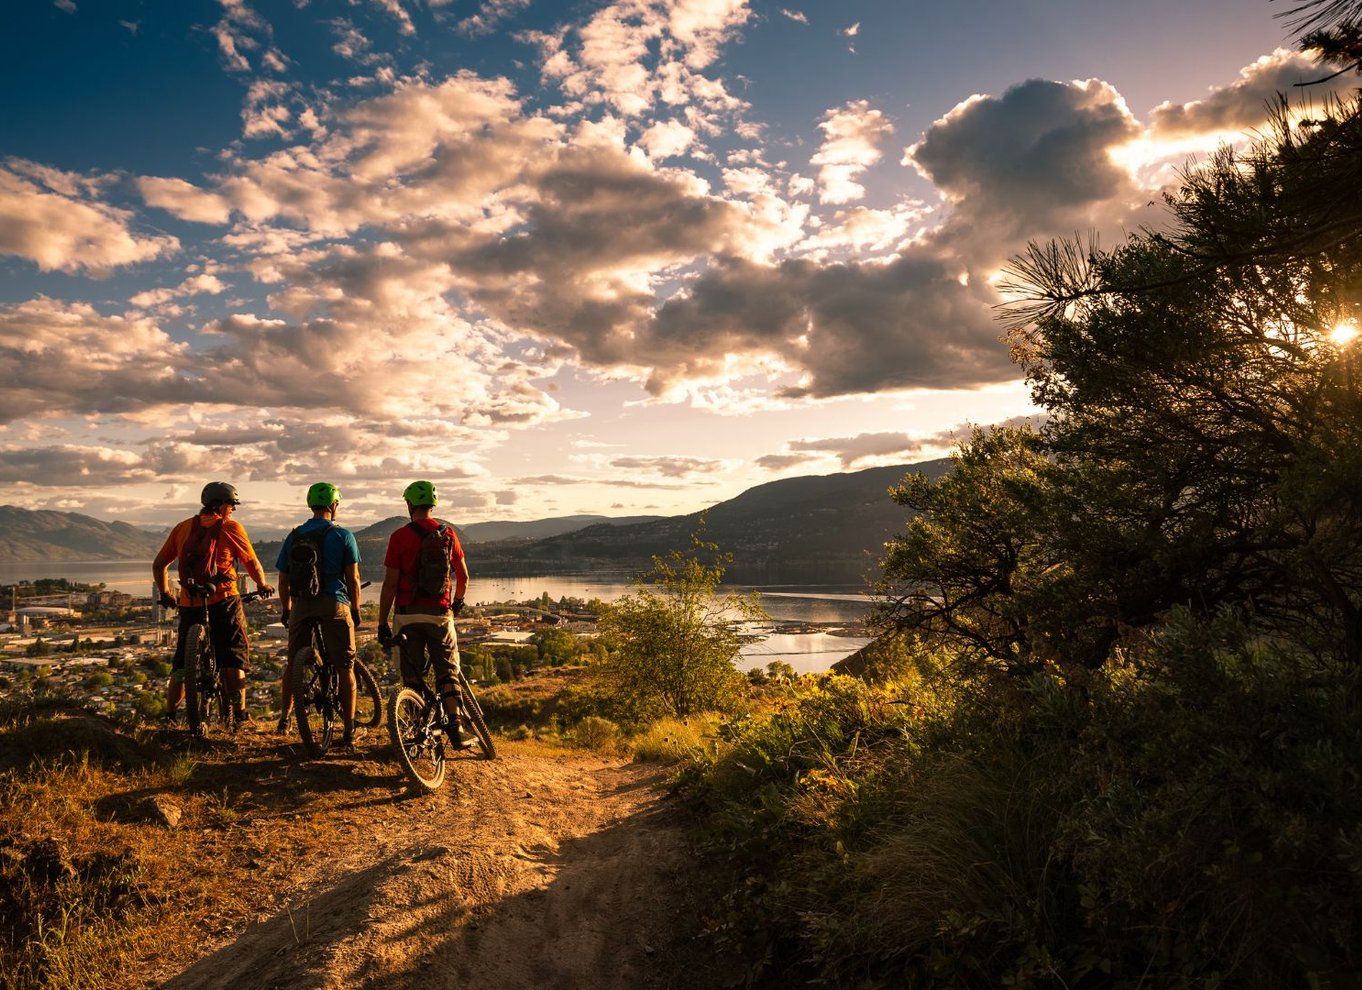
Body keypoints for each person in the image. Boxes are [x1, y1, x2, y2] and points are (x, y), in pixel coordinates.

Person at [152, 481, 274, 729]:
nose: (233, 510)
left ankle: (170, 716)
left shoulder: (183, 528)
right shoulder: (230, 527)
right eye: (231, 505)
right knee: (234, 657)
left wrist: (166, 593)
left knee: (182, 663)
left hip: (189, 603)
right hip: (224, 600)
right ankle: (239, 716)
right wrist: (262, 585)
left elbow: (159, 565)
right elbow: (252, 562)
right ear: (220, 505)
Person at [376, 480, 474, 745]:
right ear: (433, 504)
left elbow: (390, 585)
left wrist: (383, 622)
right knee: (447, 671)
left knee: (411, 676)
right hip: (439, 613)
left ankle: (415, 732)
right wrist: (457, 602)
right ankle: (455, 726)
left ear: (409, 505)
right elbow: (463, 576)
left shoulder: (399, 537)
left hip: (407, 614)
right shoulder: (448, 534)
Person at [274, 482, 362, 745]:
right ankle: (349, 729)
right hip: (334, 603)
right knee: (345, 666)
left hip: (302, 604)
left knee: (293, 663)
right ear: (334, 506)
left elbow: (283, 579)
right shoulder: (343, 535)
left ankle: (284, 719)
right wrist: (355, 610)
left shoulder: (294, 536)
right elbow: (353, 578)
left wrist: (287, 609)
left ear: (310, 505)